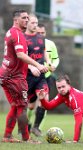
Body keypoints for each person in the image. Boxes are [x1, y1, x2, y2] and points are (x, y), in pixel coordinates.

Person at [0, 9, 48, 143]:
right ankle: (27, 139)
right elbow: (20, 55)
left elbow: (17, 56)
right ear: (16, 20)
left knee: (16, 105)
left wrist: (31, 66)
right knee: (22, 106)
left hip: (5, 74)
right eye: (24, 18)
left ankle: (7, 136)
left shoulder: (11, 31)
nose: (26, 20)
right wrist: (37, 65)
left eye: (28, 18)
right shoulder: (18, 34)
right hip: (14, 77)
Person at [24, 14, 50, 137]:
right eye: (33, 23)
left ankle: (36, 127)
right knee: (27, 105)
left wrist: (48, 62)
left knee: (44, 97)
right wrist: (31, 67)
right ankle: (24, 126)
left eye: (36, 23)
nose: (35, 25)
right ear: (27, 23)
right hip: (26, 77)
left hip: (40, 76)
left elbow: (44, 51)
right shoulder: (22, 38)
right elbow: (21, 57)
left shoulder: (41, 38)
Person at [34, 23, 60, 131]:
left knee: (45, 101)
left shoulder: (50, 44)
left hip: (46, 76)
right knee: (31, 106)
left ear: (46, 33)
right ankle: (29, 126)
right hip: (31, 76)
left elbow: (56, 58)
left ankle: (37, 128)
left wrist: (53, 65)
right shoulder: (30, 43)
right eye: (38, 33)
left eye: (42, 33)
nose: (40, 35)